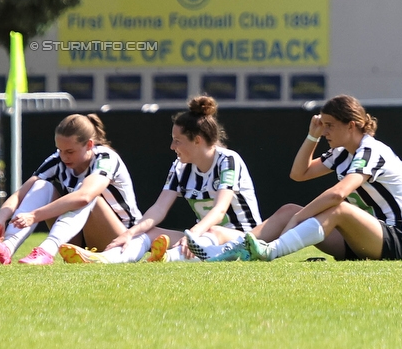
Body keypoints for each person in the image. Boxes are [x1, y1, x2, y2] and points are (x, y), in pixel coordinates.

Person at [213, 94, 402, 263]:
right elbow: (299, 173)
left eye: (330, 125)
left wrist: (299, 218)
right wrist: (313, 136)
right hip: (360, 242)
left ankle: (271, 251)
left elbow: (338, 194)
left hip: (398, 242)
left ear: (351, 125)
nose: (325, 131)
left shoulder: (371, 151)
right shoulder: (343, 152)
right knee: (289, 210)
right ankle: (232, 249)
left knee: (339, 209)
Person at [63, 95, 261, 264]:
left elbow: (219, 211)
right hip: (201, 236)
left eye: (177, 141)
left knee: (214, 232)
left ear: (197, 140)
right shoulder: (180, 166)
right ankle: (105, 259)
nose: (172, 147)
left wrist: (193, 235)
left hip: (241, 239)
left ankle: (167, 258)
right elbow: (158, 209)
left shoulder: (228, 160)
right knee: (147, 233)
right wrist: (130, 233)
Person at [0, 114, 142, 265]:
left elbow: (84, 197)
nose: (64, 157)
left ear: (89, 145)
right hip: (76, 239)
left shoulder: (106, 158)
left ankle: (47, 250)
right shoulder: (57, 160)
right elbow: (21, 193)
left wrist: (34, 216)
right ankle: (7, 248)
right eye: (60, 150)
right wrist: (0, 219)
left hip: (120, 238)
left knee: (86, 196)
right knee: (41, 185)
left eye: (70, 151)